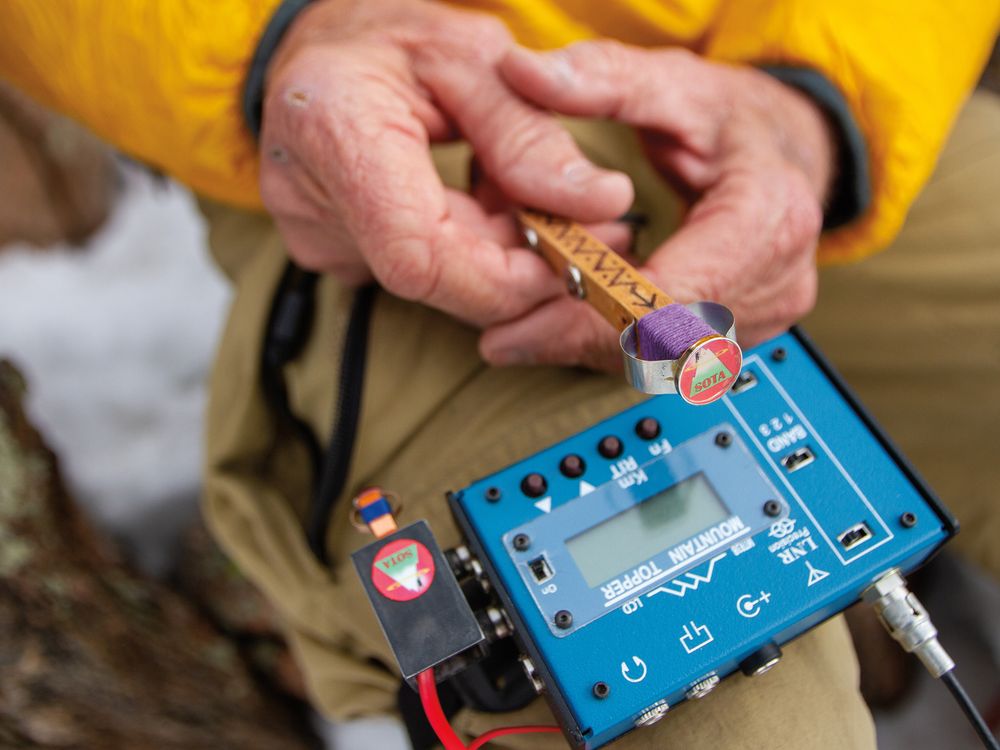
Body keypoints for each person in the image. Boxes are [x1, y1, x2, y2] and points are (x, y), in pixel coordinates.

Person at [2, 1, 999, 746]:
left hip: (749, 87)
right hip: (365, 151)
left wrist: (819, 100)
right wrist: (274, 47)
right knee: (724, 724)